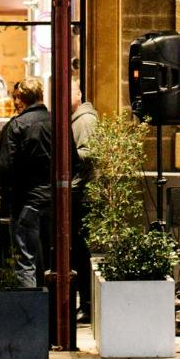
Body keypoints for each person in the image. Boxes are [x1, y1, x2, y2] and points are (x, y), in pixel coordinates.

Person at [0, 76, 54, 289]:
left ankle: (30, 316)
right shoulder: (58, 122)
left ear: (21, 99)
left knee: (24, 260)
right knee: (53, 261)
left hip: (26, 202)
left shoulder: (17, 125)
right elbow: (72, 161)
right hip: (55, 201)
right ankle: (54, 312)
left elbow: (6, 166)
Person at [69, 86, 99, 323]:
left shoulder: (85, 120)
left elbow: (89, 155)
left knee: (80, 250)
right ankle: (84, 303)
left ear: (78, 95)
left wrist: (66, 153)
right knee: (77, 250)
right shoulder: (76, 119)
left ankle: (87, 304)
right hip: (78, 191)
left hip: (82, 194)